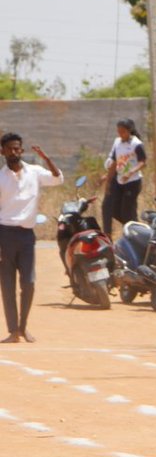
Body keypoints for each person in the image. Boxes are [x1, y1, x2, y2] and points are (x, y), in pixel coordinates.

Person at [0, 133, 62, 343]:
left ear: (22, 150)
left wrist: (47, 159)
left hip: (27, 236)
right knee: (7, 286)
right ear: (2, 152)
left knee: (29, 283)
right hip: (4, 235)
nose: (14, 152)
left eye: (17, 148)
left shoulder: (34, 172)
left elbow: (57, 179)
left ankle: (24, 327)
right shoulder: (0, 178)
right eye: (9, 149)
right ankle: (13, 331)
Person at [100, 119, 146, 236]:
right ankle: (110, 235)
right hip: (119, 179)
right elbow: (115, 162)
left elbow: (143, 162)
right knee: (110, 207)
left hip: (132, 182)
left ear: (129, 131)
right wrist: (108, 180)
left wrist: (131, 172)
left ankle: (136, 233)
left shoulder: (136, 144)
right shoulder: (117, 143)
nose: (120, 134)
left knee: (127, 211)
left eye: (123, 132)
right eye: (118, 131)